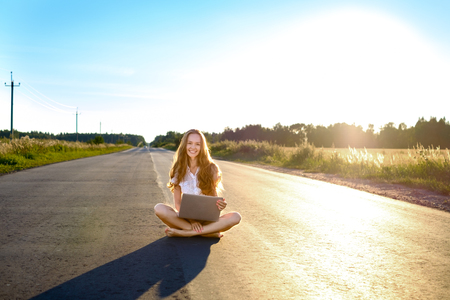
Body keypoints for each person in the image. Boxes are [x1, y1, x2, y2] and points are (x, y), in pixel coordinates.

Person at [154, 129, 241, 238]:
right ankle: (207, 232)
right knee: (159, 208)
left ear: (202, 147)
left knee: (236, 217)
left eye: (197, 144)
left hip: (207, 220)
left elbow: (214, 199)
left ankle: (187, 232)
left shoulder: (211, 168)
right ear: (185, 145)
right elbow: (177, 203)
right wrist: (191, 221)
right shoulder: (178, 169)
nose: (193, 147)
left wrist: (220, 205)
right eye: (189, 143)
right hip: (186, 219)